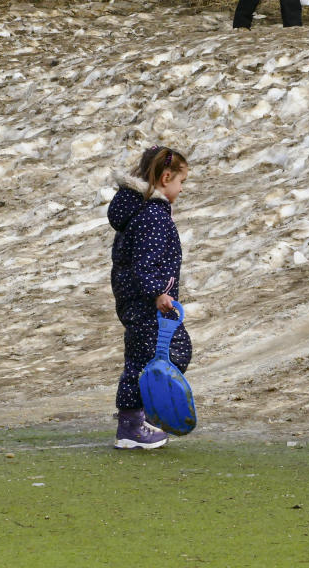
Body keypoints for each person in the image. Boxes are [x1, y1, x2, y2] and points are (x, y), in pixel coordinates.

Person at [107, 145, 192, 449]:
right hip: (147, 301)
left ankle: (138, 417)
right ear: (166, 177)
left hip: (135, 298)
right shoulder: (153, 215)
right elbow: (145, 262)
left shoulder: (139, 211)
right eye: (181, 182)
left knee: (146, 355)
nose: (181, 189)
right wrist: (159, 292)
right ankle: (132, 425)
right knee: (159, 355)